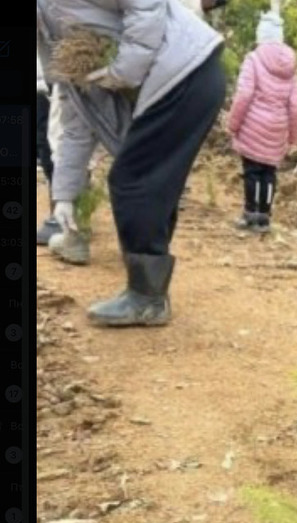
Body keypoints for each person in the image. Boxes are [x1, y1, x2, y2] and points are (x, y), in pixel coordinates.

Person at [37, 0, 227, 326]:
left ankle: (147, 298)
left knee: (133, 179)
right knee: (147, 181)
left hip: (186, 70)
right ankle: (148, 290)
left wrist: (123, 71)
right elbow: (76, 123)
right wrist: (64, 197)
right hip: (182, 77)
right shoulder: (55, 36)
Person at [226, 9, 297, 233]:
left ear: (261, 34)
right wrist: (294, 136)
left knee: (252, 171)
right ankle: (265, 217)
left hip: (253, 124)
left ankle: (250, 214)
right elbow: (296, 104)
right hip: (277, 127)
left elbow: (244, 94)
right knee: (269, 172)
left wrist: (233, 124)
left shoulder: (254, 58)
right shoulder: (291, 65)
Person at [36, 50, 61, 245]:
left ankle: (63, 218)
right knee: (47, 149)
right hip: (44, 85)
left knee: (55, 148)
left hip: (55, 82)